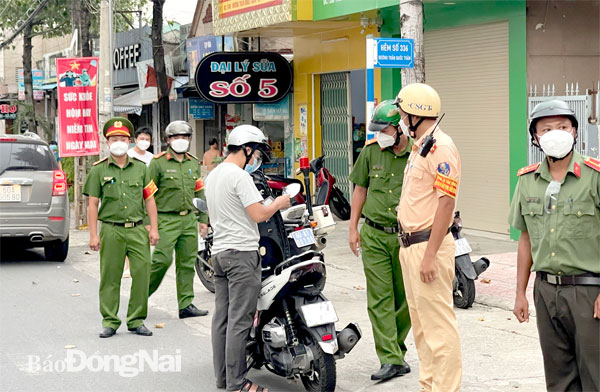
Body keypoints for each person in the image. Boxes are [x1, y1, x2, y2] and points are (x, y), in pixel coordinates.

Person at [509, 99, 600, 391]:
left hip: (589, 292)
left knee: (595, 375)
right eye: (546, 129)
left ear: (575, 132)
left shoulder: (594, 176)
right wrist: (520, 293)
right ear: (536, 138)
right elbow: (525, 238)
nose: (555, 133)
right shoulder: (527, 180)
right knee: (558, 378)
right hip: (546, 291)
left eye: (562, 127)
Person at [205, 124, 290, 392]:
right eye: (256, 155)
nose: (257, 160)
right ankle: (238, 383)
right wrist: (279, 202)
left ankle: (223, 379)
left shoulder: (213, 175)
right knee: (240, 321)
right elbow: (259, 214)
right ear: (246, 149)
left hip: (219, 254)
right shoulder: (239, 177)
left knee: (223, 318)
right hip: (241, 255)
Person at [395, 83, 462, 392]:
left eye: (401, 113)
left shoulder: (441, 147)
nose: (398, 119)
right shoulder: (422, 144)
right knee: (421, 328)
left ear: (415, 115)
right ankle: (429, 387)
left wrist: (430, 255)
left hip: (427, 246)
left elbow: (446, 202)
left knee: (439, 329)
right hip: (410, 246)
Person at [348, 100, 412, 381]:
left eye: (384, 129)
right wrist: (353, 228)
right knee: (379, 298)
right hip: (373, 235)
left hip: (405, 237)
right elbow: (360, 189)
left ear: (399, 128)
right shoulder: (371, 152)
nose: (380, 135)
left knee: (407, 298)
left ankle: (396, 349)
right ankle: (390, 357)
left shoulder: (418, 155)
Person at [83, 117, 159, 338]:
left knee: (142, 273)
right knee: (110, 276)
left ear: (129, 141)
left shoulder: (142, 169)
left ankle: (136, 319)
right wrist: (93, 234)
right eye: (114, 138)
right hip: (111, 229)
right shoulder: (98, 170)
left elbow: (150, 200)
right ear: (107, 143)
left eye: (122, 138)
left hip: (137, 229)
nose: (118, 142)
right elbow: (92, 203)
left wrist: (153, 228)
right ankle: (110, 320)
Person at [148, 121, 210, 319]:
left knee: (187, 263)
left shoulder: (193, 162)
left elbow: (199, 190)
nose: (180, 141)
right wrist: (149, 223)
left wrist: (203, 219)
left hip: (188, 219)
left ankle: (186, 304)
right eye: (176, 137)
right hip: (166, 219)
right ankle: (139, 297)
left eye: (184, 137)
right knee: (161, 260)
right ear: (168, 140)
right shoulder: (158, 163)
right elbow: (147, 193)